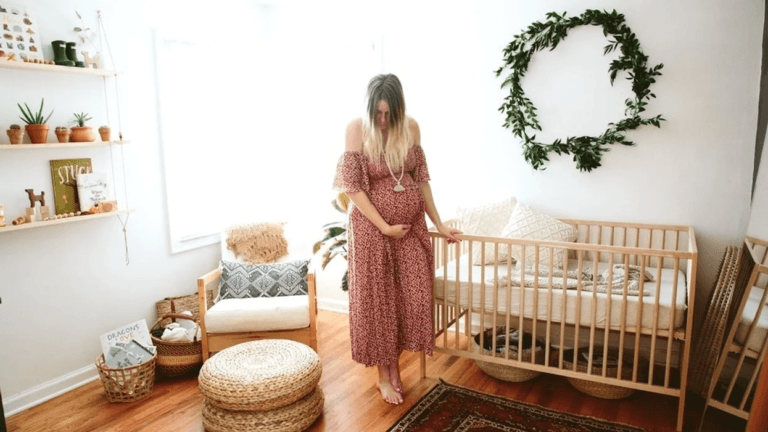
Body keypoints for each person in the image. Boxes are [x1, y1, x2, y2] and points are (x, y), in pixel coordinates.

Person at [333, 74, 461, 405]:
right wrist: (384, 225)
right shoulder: (356, 130)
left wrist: (440, 223)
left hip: (409, 229)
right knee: (378, 303)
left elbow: (421, 180)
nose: (383, 119)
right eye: (377, 112)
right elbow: (353, 187)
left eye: (389, 113)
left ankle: (395, 368)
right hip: (370, 230)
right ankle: (384, 375)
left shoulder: (411, 128)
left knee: (412, 298)